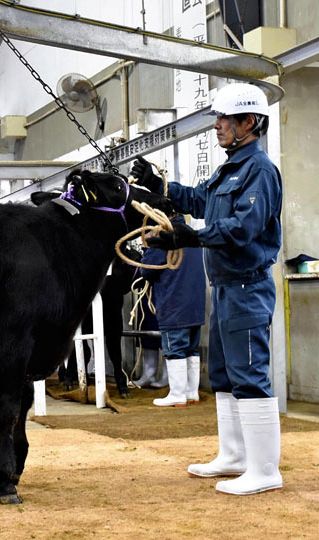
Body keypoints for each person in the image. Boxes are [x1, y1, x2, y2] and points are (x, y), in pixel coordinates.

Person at [131, 82, 283, 495]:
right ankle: (235, 457)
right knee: (224, 375)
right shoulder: (231, 168)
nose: (216, 126)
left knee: (249, 376)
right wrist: (160, 189)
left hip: (247, 287)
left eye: (223, 119)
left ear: (248, 122)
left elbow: (243, 229)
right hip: (227, 288)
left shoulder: (261, 171)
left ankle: (266, 470)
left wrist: (186, 238)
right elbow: (200, 200)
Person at [139, 214, 207, 407]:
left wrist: (149, 245)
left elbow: (147, 270)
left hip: (174, 303)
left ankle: (177, 394)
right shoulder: (191, 235)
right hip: (195, 305)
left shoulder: (164, 237)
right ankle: (191, 393)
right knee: (191, 349)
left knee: (175, 348)